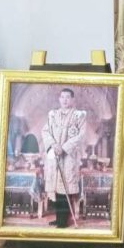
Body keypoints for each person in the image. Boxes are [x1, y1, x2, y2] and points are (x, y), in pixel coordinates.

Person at [42, 88, 87, 228]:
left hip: (68, 157)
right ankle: (58, 218)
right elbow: (45, 131)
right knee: (56, 189)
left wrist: (64, 147)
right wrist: (53, 144)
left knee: (65, 190)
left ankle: (64, 221)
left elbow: (81, 136)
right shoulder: (53, 115)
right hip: (55, 156)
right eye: (62, 97)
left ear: (73, 99)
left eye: (68, 97)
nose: (65, 100)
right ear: (59, 99)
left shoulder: (79, 115)